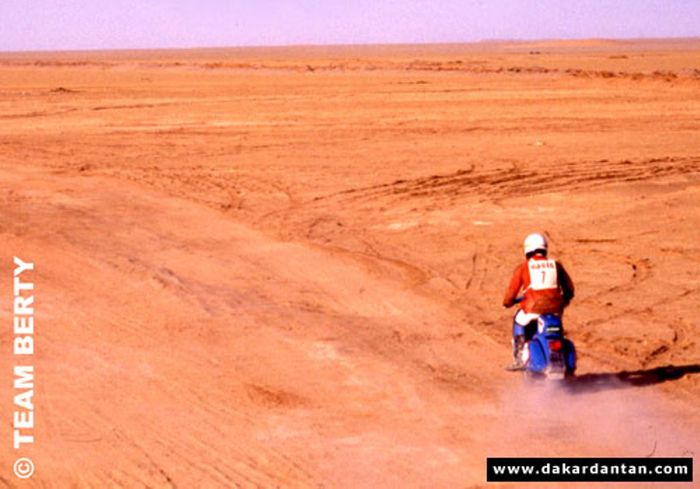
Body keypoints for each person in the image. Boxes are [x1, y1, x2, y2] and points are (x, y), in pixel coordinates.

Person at [502, 233, 575, 371]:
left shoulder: (524, 267)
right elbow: (570, 290)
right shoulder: (556, 265)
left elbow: (511, 293)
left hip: (532, 308)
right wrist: (563, 300)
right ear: (544, 249)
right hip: (555, 308)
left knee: (518, 320)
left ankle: (518, 358)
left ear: (527, 250)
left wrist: (508, 302)